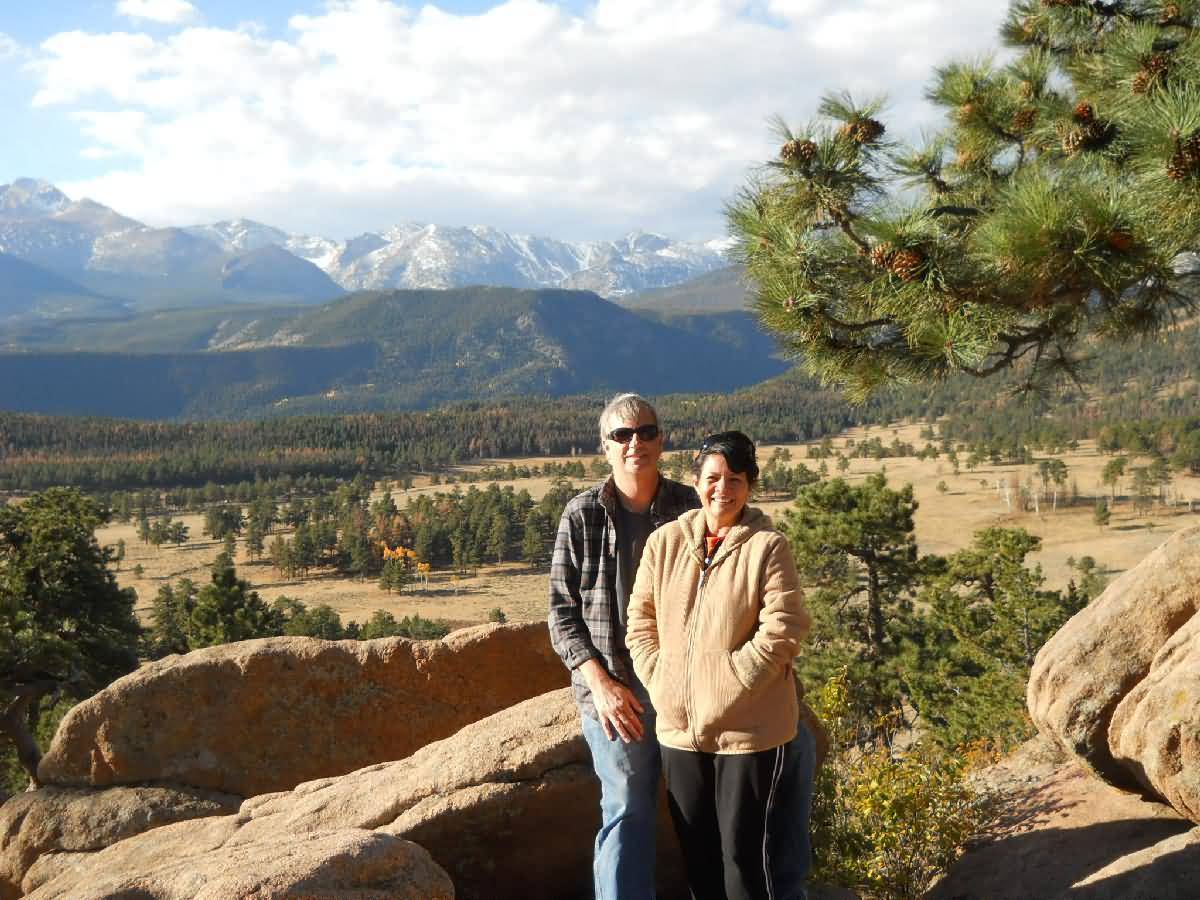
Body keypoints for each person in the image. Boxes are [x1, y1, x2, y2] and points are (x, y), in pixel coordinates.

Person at [626, 430, 812, 900]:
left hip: (749, 734)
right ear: (696, 481)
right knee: (699, 860)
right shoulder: (664, 543)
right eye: (713, 477)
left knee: (744, 863)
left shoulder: (768, 547)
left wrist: (731, 682)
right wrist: (662, 680)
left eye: (735, 479)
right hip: (680, 730)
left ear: (750, 486)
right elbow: (640, 622)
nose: (722, 489)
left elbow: (785, 628)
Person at [548, 392, 701, 900]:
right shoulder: (582, 515)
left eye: (646, 432)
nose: (636, 442)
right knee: (630, 810)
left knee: (701, 809)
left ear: (661, 441)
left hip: (684, 689)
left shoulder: (690, 509)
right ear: (605, 448)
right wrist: (602, 685)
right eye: (622, 434)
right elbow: (561, 614)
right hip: (618, 692)